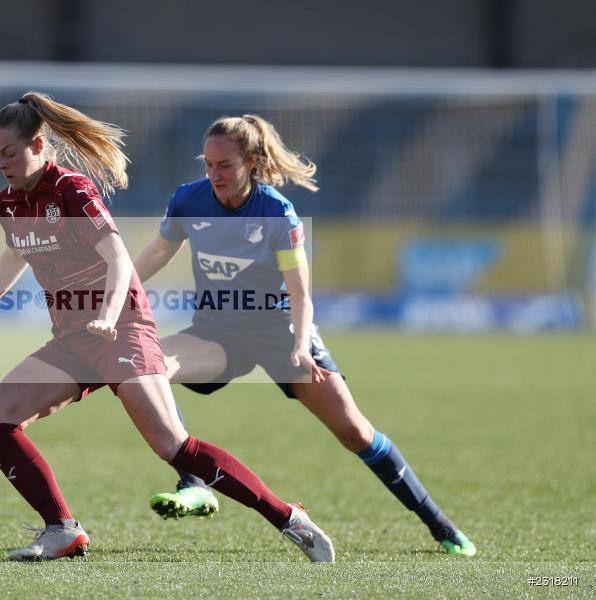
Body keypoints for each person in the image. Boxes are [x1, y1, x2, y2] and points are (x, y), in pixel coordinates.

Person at [0, 93, 335, 562]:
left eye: (9, 153)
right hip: (73, 339)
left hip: (119, 329)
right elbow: (18, 251)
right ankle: (61, 529)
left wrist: (107, 311)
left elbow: (119, 259)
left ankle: (289, 519)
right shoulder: (10, 201)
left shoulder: (72, 190)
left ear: (39, 145)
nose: (1, 163)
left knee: (173, 447)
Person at [133, 114, 477, 557]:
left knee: (355, 432)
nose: (214, 175)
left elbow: (300, 294)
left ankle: (441, 525)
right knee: (149, 366)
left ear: (252, 162)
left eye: (225, 165)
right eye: (208, 164)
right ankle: (195, 485)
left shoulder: (276, 211)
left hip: (281, 332)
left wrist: (298, 345)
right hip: (219, 331)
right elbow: (159, 252)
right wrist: (117, 292)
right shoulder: (188, 200)